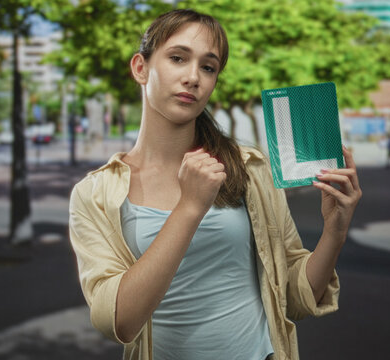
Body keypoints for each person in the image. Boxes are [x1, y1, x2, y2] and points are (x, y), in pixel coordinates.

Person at [68, 9, 362, 360]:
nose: (193, 77)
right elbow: (119, 322)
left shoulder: (249, 168)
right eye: (177, 58)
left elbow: (296, 297)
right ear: (140, 68)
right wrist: (190, 208)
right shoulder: (95, 194)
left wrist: (334, 231)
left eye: (208, 67)